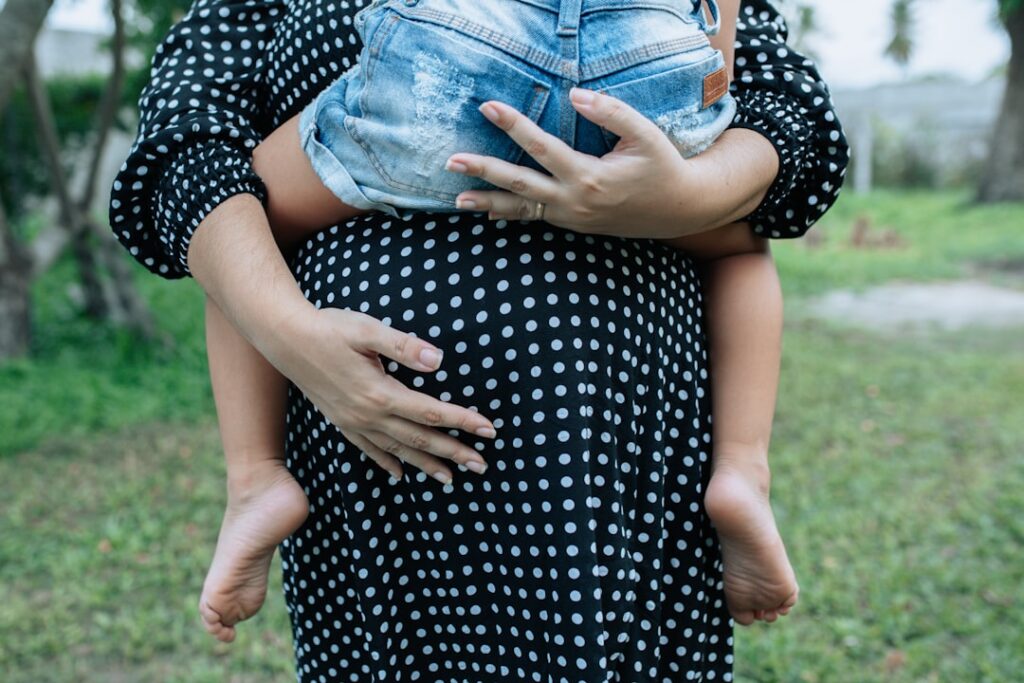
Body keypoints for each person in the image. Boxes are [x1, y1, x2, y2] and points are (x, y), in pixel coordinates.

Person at [110, 0, 848, 679]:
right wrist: (696, 194)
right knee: (740, 246)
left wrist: (692, 194)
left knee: (247, 201)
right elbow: (180, 150)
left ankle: (255, 477)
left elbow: (794, 123)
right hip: (632, 97)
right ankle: (742, 470)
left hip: (453, 80)